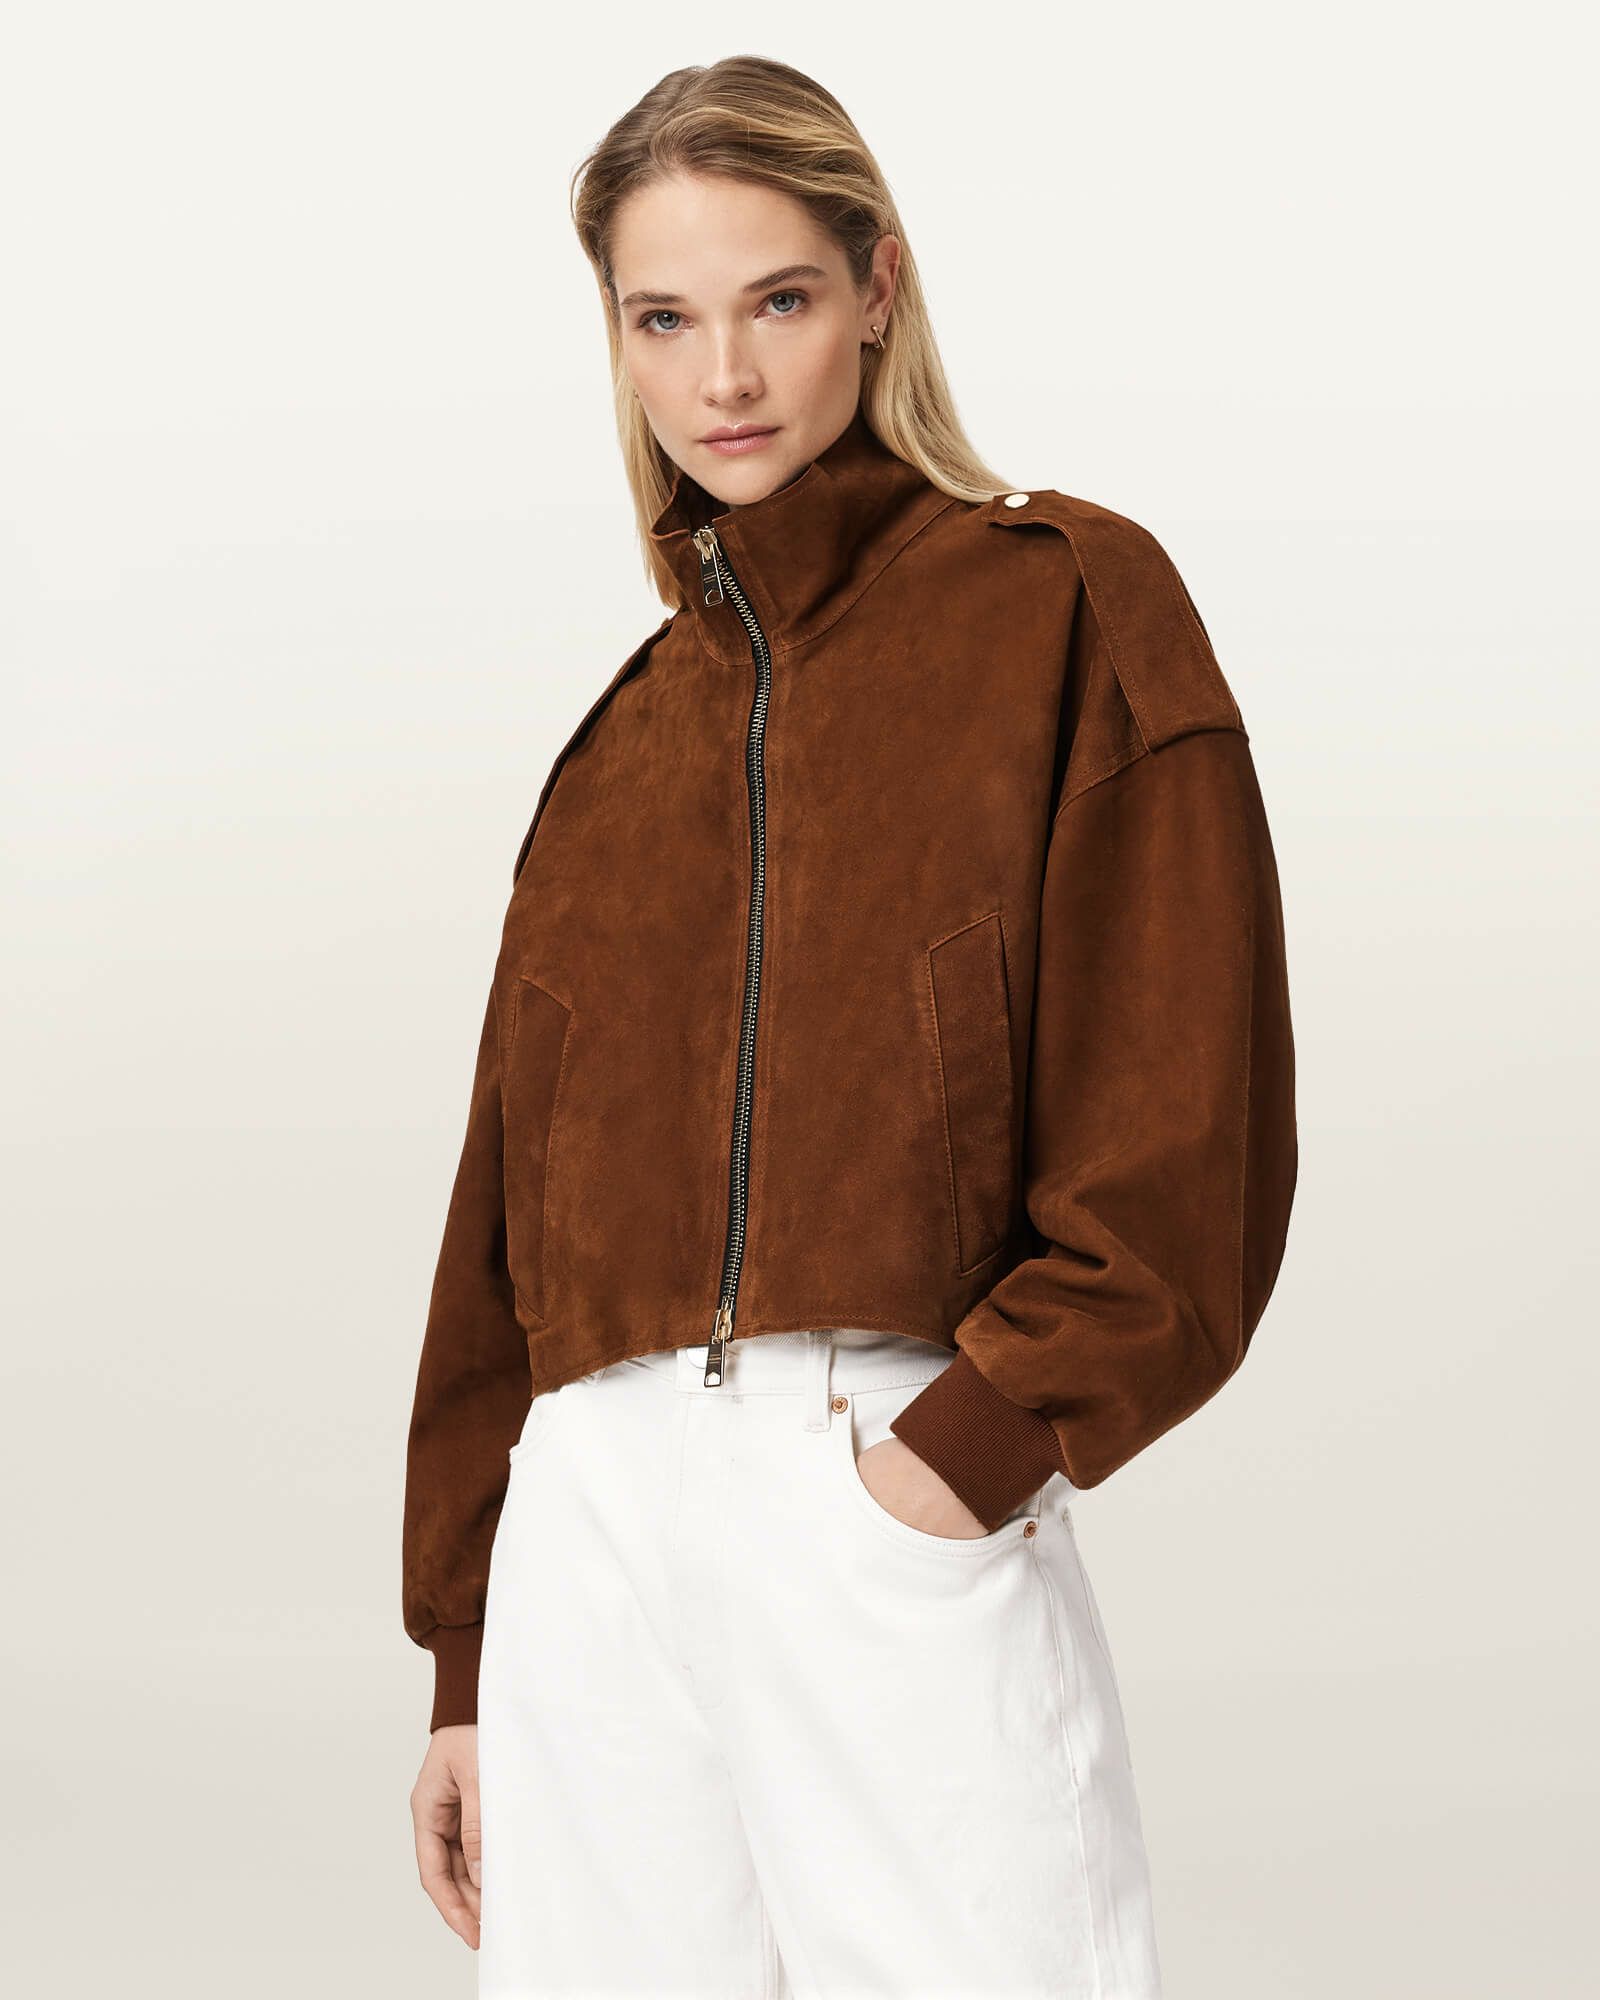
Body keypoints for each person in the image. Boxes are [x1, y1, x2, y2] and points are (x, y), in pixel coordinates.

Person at [402, 53, 1297, 2000]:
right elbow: (498, 1248)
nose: (722, 374)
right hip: (586, 1552)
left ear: (878, 286)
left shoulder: (1063, 605)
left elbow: (1184, 1135)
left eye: (779, 299)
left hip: (881, 1487)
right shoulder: (620, 745)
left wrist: (951, 1464)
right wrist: (471, 1649)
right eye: (662, 317)